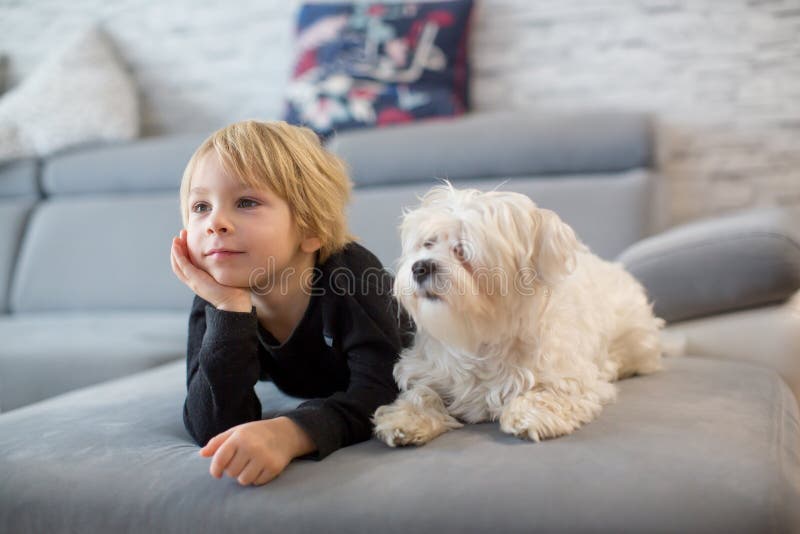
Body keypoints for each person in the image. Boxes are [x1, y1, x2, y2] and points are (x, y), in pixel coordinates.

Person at [170, 120, 413, 487]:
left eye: (246, 202)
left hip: (423, 352)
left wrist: (293, 432)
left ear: (310, 229)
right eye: (201, 206)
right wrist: (230, 309)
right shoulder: (217, 294)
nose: (214, 222)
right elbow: (213, 427)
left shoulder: (352, 276)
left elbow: (384, 390)